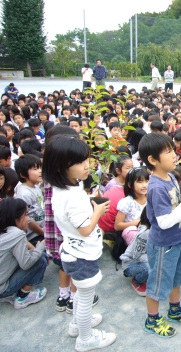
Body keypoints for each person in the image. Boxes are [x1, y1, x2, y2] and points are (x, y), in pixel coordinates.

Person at [43, 135, 116, 351]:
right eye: (79, 162)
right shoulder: (72, 196)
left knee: (79, 295)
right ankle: (86, 338)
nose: (87, 165)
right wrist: (97, 211)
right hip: (82, 255)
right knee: (85, 298)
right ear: (60, 167)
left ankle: (77, 324)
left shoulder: (64, 189)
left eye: (86, 159)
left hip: (72, 250)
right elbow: (85, 229)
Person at [138, 132, 181, 338]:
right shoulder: (155, 186)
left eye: (173, 150)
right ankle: (152, 319)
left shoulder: (171, 176)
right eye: (168, 152)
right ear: (153, 160)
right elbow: (163, 222)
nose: (174, 154)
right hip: (164, 244)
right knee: (158, 284)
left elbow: (177, 206)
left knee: (176, 278)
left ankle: (174, 310)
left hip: (178, 239)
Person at [14, 155, 45, 246]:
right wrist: (43, 233)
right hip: (34, 236)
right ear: (23, 174)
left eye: (40, 168)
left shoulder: (35, 187)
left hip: (42, 230)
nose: (40, 171)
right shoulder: (24, 194)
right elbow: (28, 219)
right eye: (35, 169)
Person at [119, 206, 150, 296]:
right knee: (148, 268)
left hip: (145, 258)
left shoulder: (155, 230)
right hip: (131, 264)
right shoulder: (146, 232)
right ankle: (137, 281)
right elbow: (137, 255)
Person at [114, 167, 149, 234]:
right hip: (132, 234)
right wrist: (135, 223)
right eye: (140, 182)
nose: (145, 185)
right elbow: (117, 226)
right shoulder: (126, 202)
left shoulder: (151, 198)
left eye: (147, 181)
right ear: (130, 185)